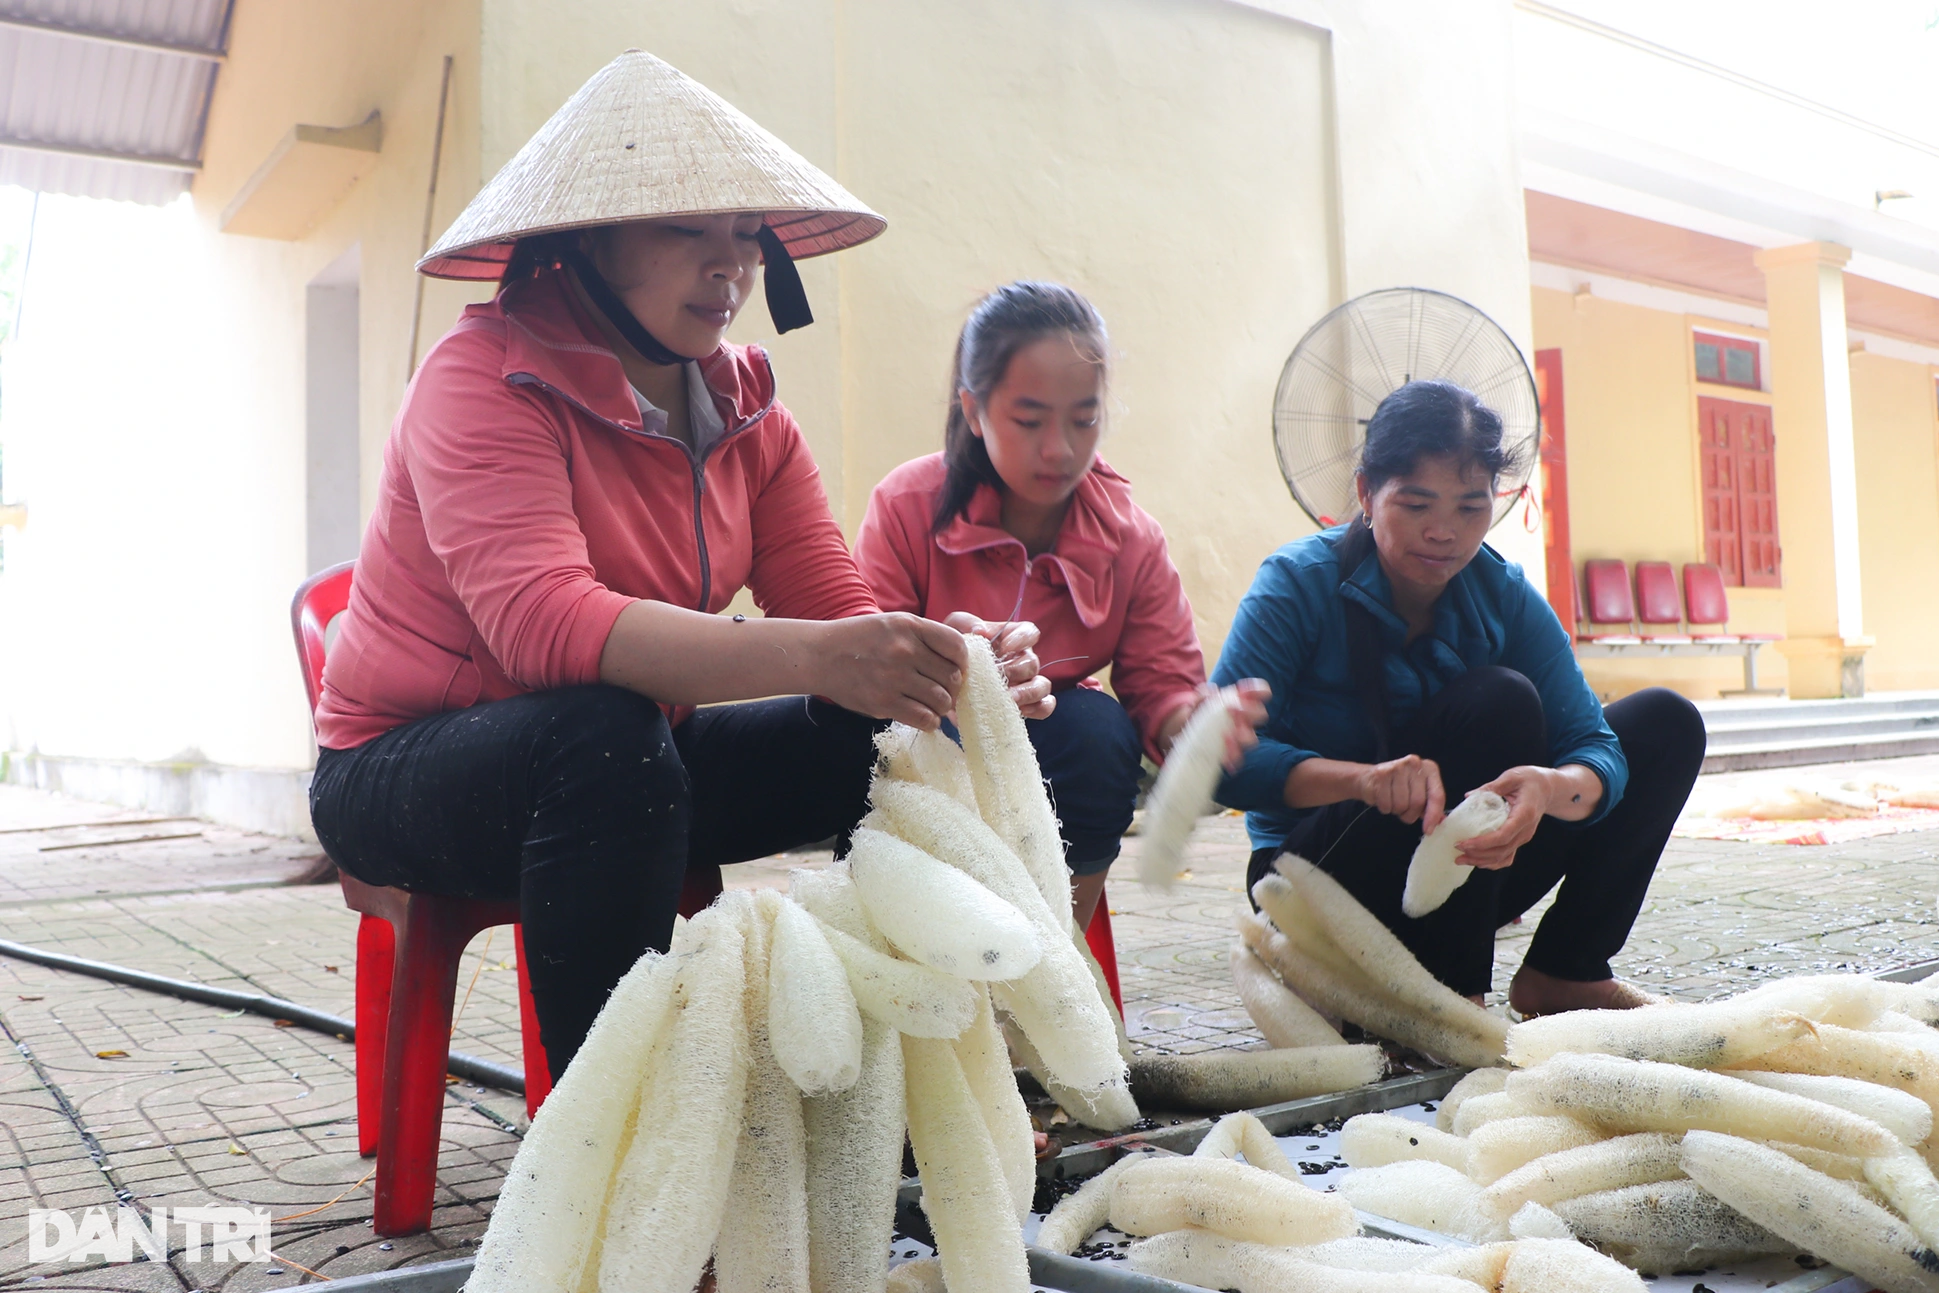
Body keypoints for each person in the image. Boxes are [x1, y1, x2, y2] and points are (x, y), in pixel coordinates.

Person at [307, 51, 1048, 1076]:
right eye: (685, 231)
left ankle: (910, 1083)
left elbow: (835, 613)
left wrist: (940, 659)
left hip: (630, 762)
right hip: (405, 769)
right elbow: (546, 626)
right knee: (599, 735)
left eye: (744, 235)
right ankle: (619, 1137)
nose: (730, 266)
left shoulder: (751, 415)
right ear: (585, 245)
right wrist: (824, 655)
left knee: (885, 728)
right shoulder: (481, 379)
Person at [1212, 379, 1705, 1016]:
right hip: (1317, 883)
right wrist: (1363, 782)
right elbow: (1227, 763)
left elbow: (1595, 746)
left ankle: (1566, 971)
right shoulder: (1298, 583)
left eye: (1469, 509)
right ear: (1366, 492)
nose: (1444, 533)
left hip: (1459, 872)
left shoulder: (1500, 592)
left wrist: (1550, 789)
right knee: (1499, 701)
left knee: (1665, 724)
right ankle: (1452, 997)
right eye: (1417, 505)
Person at [855, 282, 1266, 930]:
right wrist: (956, 676)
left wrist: (1193, 723)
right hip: (927, 745)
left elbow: (1161, 685)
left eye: (1083, 418)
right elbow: (864, 661)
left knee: (1099, 731)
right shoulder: (905, 505)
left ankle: (1052, 958)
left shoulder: (1130, 537)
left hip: (1053, 758)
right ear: (972, 408)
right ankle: (915, 941)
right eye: (1028, 419)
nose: (1060, 448)